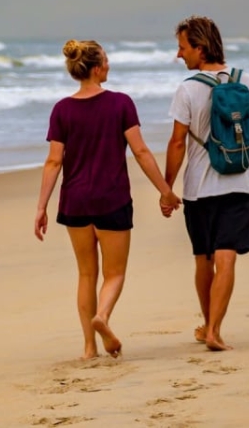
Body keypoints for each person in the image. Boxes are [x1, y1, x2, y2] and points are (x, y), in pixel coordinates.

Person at [34, 39, 181, 360]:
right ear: (97, 68)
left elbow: (53, 161)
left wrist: (42, 207)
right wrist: (165, 190)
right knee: (114, 274)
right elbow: (140, 151)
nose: (110, 65)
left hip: (74, 202)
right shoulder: (120, 104)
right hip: (112, 200)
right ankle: (102, 316)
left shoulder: (62, 109)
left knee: (87, 274)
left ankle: (89, 348)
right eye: (107, 61)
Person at [163, 15, 249, 351]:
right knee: (227, 258)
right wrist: (243, 163)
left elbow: (178, 142)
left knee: (203, 258)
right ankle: (214, 330)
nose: (180, 55)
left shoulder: (188, 89)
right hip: (239, 187)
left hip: (199, 189)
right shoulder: (246, 81)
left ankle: (208, 324)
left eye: (183, 48)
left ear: (200, 47)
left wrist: (167, 187)